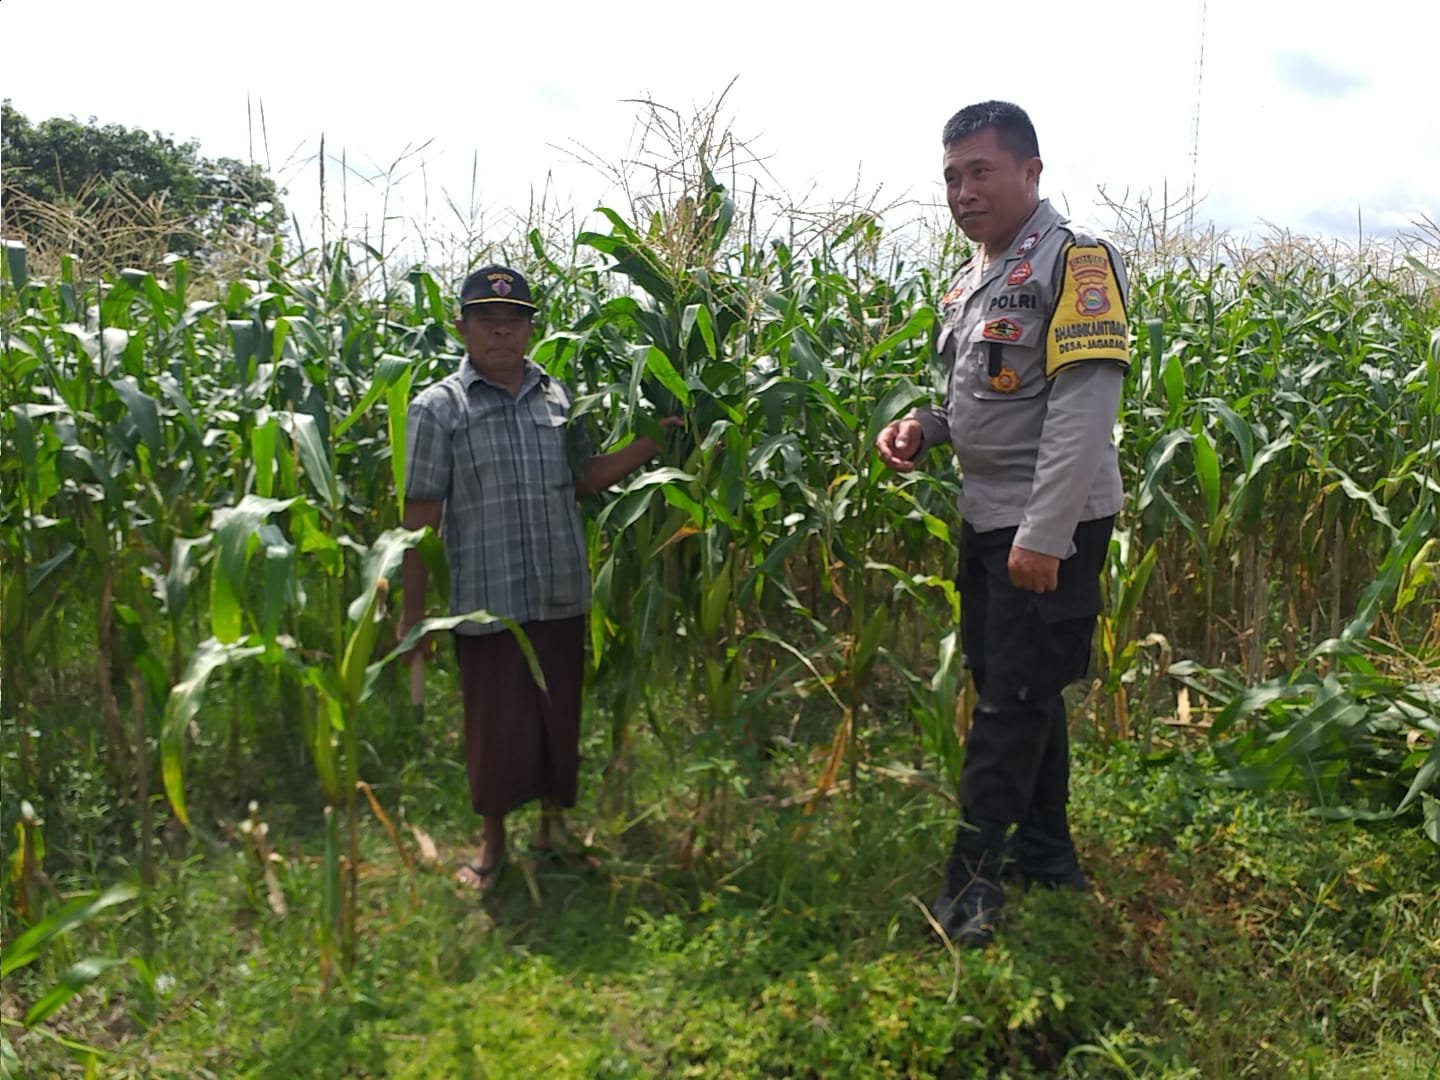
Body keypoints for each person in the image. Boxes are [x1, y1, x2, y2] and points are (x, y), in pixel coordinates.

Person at [875, 102, 1130, 946]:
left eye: (980, 171)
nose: (961, 190)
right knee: (1021, 689)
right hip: (988, 518)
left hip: (1043, 522)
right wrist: (924, 425)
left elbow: (1083, 411)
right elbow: (979, 397)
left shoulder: (1076, 262)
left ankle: (974, 884)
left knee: (1008, 705)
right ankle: (1048, 853)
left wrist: (1044, 535)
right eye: (951, 175)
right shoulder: (971, 279)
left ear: (1030, 171)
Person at [400, 265, 677, 892]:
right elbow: (420, 517)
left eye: (515, 320)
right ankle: (492, 844)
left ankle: (553, 831)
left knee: (557, 718)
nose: (502, 331)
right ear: (462, 327)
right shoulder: (438, 408)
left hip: (557, 589)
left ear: (530, 327)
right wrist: (411, 613)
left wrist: (645, 447)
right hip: (486, 599)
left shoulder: (558, 397)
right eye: (486, 320)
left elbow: (581, 478)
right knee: (494, 724)